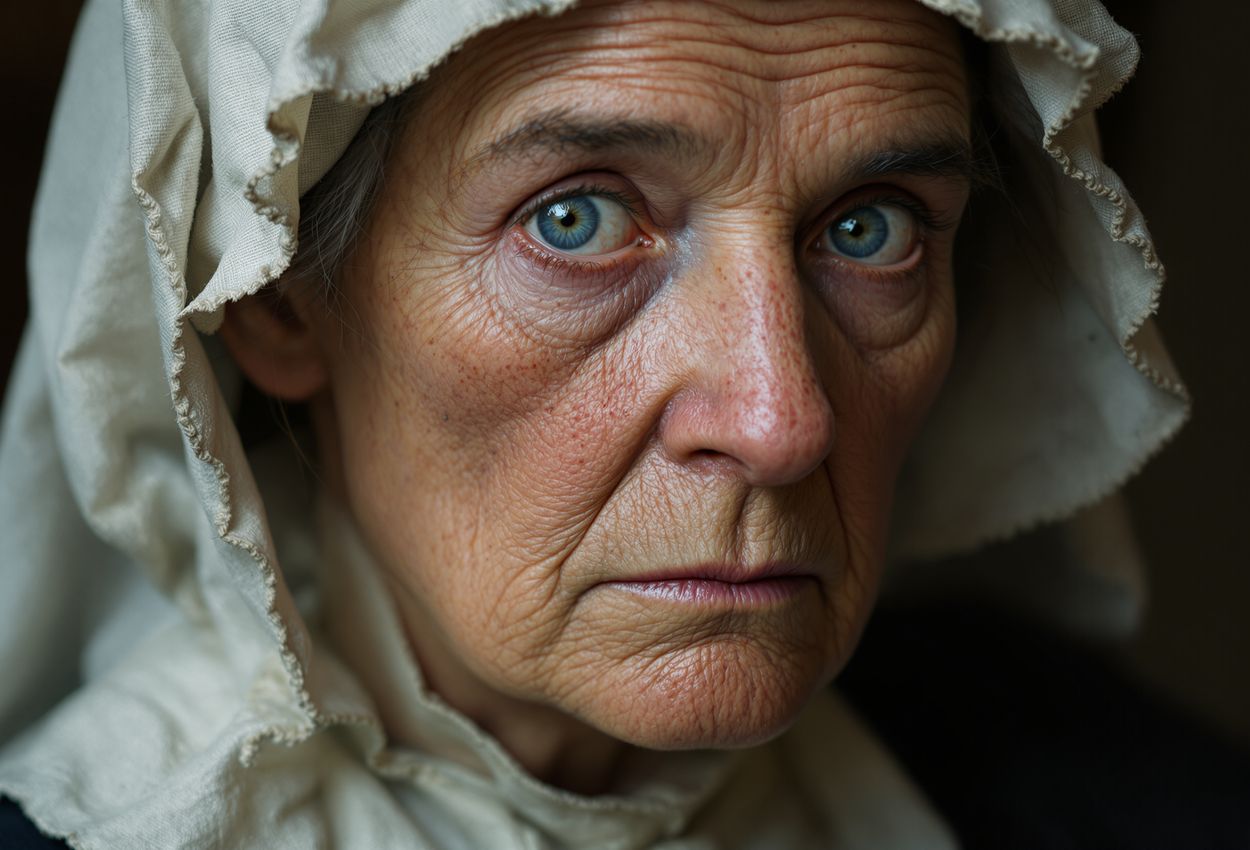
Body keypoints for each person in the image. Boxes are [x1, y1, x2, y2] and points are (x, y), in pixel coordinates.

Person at [0, 0, 1212, 846]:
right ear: (275, 298)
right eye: (575, 221)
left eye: (871, 229)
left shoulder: (1102, 790)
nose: (782, 420)